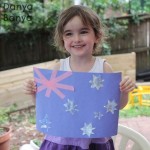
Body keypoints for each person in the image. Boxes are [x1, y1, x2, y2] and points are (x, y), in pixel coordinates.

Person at [24, 5, 135, 150]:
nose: (76, 39)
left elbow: (117, 106)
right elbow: (48, 105)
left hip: (95, 141)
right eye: (69, 34)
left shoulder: (104, 68)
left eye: (83, 32)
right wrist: (34, 92)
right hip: (60, 141)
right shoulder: (59, 69)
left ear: (97, 36)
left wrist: (124, 91)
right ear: (62, 39)